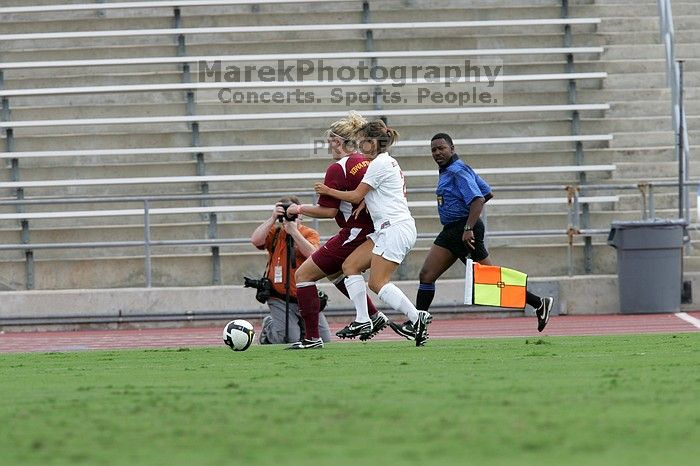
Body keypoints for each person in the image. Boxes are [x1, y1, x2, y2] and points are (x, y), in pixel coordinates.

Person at [389, 133, 552, 340]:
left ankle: (539, 303)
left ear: (452, 148)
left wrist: (468, 227)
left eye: (441, 148)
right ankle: (417, 324)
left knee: (490, 280)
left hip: (462, 231)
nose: (437, 153)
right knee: (428, 276)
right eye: (433, 150)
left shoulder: (457, 171)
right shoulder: (451, 170)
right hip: (452, 231)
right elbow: (486, 192)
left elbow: (477, 199)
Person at [315, 119, 433, 347]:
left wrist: (328, 190)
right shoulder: (386, 162)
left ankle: (417, 318)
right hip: (389, 228)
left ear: (373, 142)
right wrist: (366, 202)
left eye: (362, 142)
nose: (359, 147)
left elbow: (355, 196)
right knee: (350, 266)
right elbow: (374, 194)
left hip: (394, 228)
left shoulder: (378, 164)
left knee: (377, 283)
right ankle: (363, 319)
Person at [284, 112, 388, 350]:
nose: (328, 144)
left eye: (331, 140)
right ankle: (373, 315)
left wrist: (297, 209)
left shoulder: (337, 168)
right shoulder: (366, 160)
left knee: (303, 276)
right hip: (375, 230)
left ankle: (311, 338)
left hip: (356, 232)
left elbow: (328, 211)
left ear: (339, 142)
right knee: (334, 273)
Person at [249, 195, 332, 344]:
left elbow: (314, 255)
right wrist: (273, 218)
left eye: (293, 213)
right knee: (288, 339)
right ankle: (269, 327)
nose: (289, 216)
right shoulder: (275, 233)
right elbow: (256, 240)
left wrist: (294, 232)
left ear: (300, 215)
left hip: (305, 294)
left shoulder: (309, 233)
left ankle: (298, 327)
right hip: (279, 296)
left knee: (325, 339)